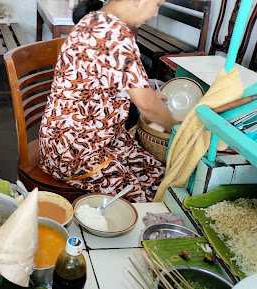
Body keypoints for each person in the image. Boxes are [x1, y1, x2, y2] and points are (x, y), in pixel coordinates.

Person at [38, 0, 176, 202]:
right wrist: (178, 127)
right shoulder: (114, 34)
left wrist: (151, 96)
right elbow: (147, 107)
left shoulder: (94, 19)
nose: (155, 14)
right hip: (75, 150)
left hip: (93, 138)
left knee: (157, 175)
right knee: (146, 198)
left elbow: (117, 80)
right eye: (157, 4)